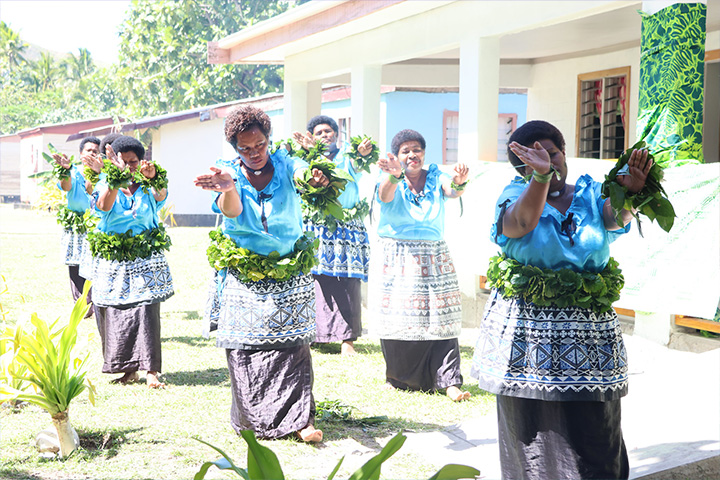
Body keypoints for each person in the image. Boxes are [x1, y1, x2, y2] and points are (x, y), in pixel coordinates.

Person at [471, 120, 651, 479]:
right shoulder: (512, 195)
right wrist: (539, 178)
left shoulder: (589, 193)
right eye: (534, 159)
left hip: (590, 339)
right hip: (528, 339)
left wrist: (629, 194)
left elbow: (613, 219)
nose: (548, 163)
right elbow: (522, 223)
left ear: (564, 152)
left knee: (594, 429)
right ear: (521, 167)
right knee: (535, 429)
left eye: (552, 154)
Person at [195, 105, 329, 442]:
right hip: (244, 271)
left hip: (288, 266)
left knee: (293, 346)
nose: (254, 153)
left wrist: (312, 177)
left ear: (269, 140)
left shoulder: (285, 162)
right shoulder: (228, 171)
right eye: (245, 148)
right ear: (235, 147)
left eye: (260, 145)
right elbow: (233, 212)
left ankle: (301, 421)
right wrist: (228, 188)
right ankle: (254, 421)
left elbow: (301, 174)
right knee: (245, 346)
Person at [371, 129, 471, 402]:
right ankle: (397, 378)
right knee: (398, 316)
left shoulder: (437, 176)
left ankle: (449, 381)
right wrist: (394, 176)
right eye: (405, 151)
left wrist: (460, 182)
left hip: (433, 254)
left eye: (417, 149)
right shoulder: (387, 175)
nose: (412, 155)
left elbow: (452, 191)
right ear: (397, 155)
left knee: (441, 317)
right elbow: (385, 196)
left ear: (424, 153)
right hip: (398, 254)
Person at [90, 135, 174, 389]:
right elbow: (104, 206)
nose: (129, 167)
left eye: (133, 162)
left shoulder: (148, 183)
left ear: (141, 161)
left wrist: (151, 178)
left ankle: (151, 372)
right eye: (123, 162)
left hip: (145, 258)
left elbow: (161, 194)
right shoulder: (105, 183)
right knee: (117, 312)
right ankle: (128, 371)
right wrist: (116, 178)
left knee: (147, 312)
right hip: (114, 261)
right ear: (112, 162)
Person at [292, 115, 374, 356]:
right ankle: (317, 335)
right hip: (315, 227)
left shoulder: (348, 157)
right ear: (311, 137)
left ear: (337, 135)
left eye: (328, 131)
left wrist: (362, 153)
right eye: (318, 133)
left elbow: (351, 167)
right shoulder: (304, 159)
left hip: (346, 228)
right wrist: (311, 153)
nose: (324, 135)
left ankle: (347, 340)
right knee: (316, 281)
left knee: (347, 282)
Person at [51, 136, 99, 309]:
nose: (92, 153)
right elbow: (66, 186)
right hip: (76, 225)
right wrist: (65, 170)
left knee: (94, 263)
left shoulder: (102, 174)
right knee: (76, 264)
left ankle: (96, 301)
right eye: (89, 150)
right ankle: (82, 304)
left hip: (96, 224)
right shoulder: (72, 171)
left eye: (95, 151)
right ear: (81, 153)